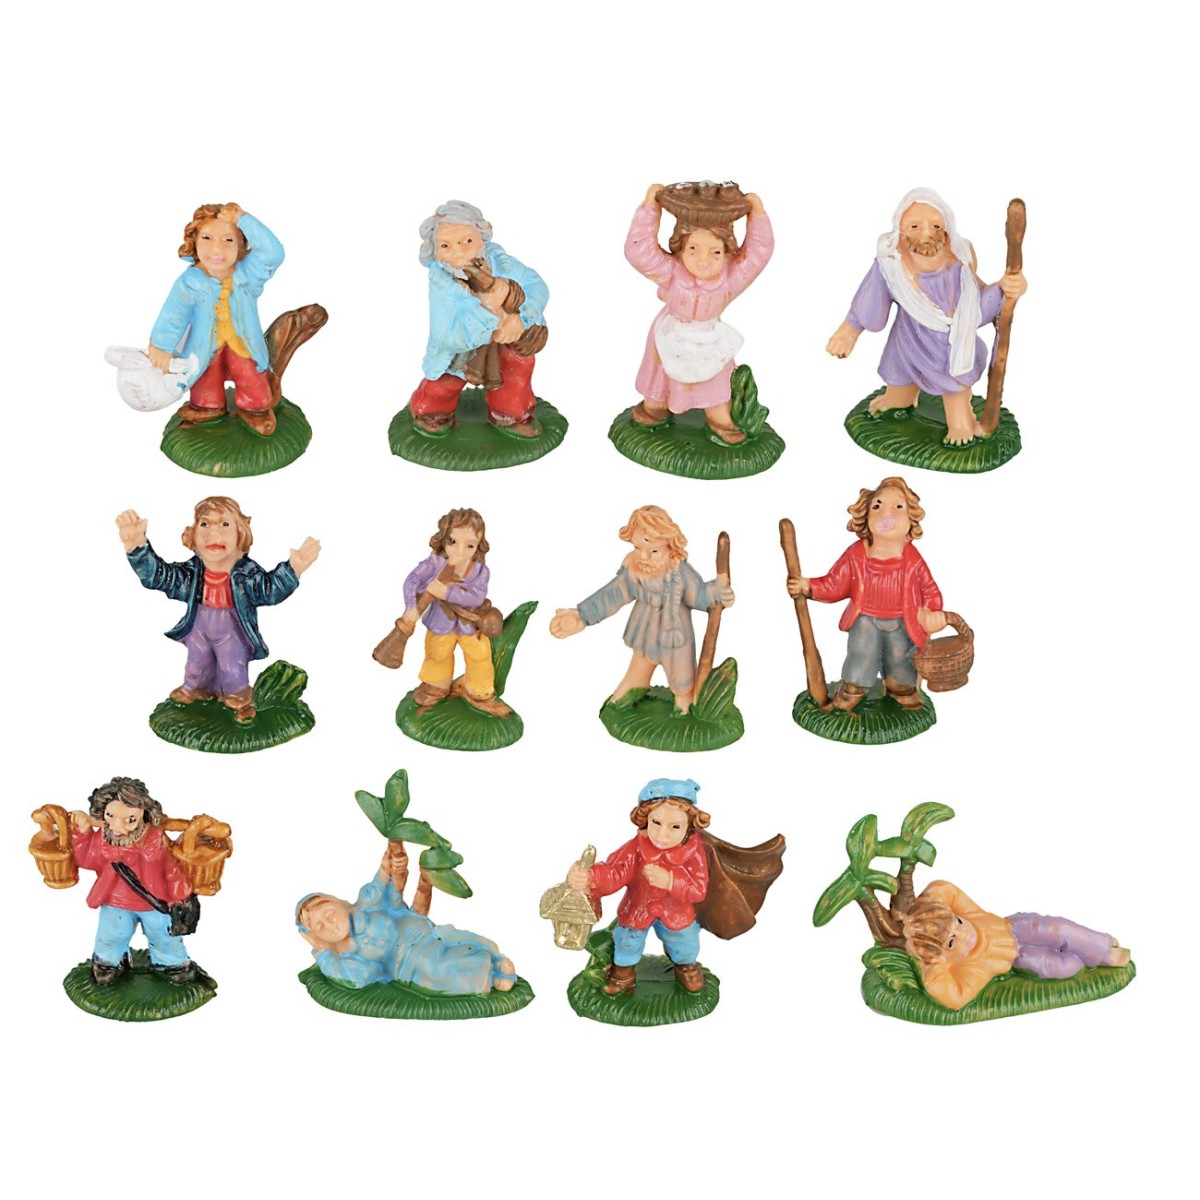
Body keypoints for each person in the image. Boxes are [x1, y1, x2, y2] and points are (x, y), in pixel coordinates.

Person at [826, 188, 1027, 445]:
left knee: (952, 379)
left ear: (946, 229)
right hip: (906, 338)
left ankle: (961, 421)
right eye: (914, 226)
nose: (926, 233)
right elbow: (870, 299)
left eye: (935, 226)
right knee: (900, 374)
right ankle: (899, 400)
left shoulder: (958, 266)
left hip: (949, 343)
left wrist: (1004, 290)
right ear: (900, 230)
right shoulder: (891, 266)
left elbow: (975, 307)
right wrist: (849, 329)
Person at [117, 496, 320, 721]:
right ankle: (195, 690)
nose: (214, 533)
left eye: (225, 524)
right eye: (205, 524)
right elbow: (161, 577)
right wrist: (137, 548)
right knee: (197, 663)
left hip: (232, 628)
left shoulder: (246, 574)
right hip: (199, 625)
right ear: (193, 535)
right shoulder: (193, 573)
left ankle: (238, 698)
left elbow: (268, 589)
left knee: (232, 665)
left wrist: (292, 569)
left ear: (240, 534)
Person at [625, 182, 774, 444]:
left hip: (708, 336)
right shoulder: (672, 272)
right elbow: (639, 251)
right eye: (693, 249)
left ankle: (719, 418)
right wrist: (649, 209)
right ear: (681, 248)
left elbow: (757, 255)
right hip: (672, 331)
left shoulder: (729, 278)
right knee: (660, 374)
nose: (703, 259)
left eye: (715, 252)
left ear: (727, 253)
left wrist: (758, 217)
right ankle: (655, 408)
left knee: (714, 377)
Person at [550, 505, 733, 714]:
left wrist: (718, 592)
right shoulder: (634, 569)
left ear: (670, 545)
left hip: (675, 636)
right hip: (645, 632)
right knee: (639, 666)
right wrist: (582, 616)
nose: (643, 556)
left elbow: (699, 595)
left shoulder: (679, 572)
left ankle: (684, 708)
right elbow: (613, 594)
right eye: (638, 548)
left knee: (681, 678)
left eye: (653, 551)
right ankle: (628, 694)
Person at [786, 477, 944, 714]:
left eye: (898, 507)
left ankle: (903, 692)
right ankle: (852, 692)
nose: (886, 514)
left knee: (901, 659)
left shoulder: (913, 560)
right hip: (865, 619)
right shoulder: (856, 554)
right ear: (866, 515)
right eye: (877, 506)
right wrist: (807, 586)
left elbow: (929, 590)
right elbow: (835, 583)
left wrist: (931, 612)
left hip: (903, 621)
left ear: (911, 519)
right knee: (861, 654)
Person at [297, 842, 517, 994]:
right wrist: (322, 951)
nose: (330, 925)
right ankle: (490, 977)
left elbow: (382, 877)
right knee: (436, 972)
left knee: (457, 940)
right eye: (320, 927)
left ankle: (493, 960)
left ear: (340, 904)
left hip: (419, 932)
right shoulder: (347, 956)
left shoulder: (366, 903)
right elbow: (357, 979)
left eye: (329, 914)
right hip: (405, 963)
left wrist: (392, 860)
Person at [409, 199, 548, 437]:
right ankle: (431, 413)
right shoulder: (443, 285)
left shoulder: (501, 264)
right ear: (434, 251)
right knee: (446, 381)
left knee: (516, 369)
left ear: (482, 238)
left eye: (467, 241)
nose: (459, 253)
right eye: (445, 246)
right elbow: (445, 335)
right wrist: (488, 313)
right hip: (461, 348)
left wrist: (521, 319)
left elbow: (537, 286)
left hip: (507, 338)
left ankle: (510, 415)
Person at [149, 203, 286, 435]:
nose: (217, 249)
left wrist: (243, 219)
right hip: (205, 348)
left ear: (241, 244)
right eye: (207, 238)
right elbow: (174, 315)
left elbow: (273, 254)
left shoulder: (248, 275)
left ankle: (255, 409)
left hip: (243, 345)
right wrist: (161, 346)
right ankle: (208, 408)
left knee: (251, 377)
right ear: (194, 241)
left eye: (228, 240)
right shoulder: (190, 283)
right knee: (205, 379)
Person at [567, 778, 710, 996]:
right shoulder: (636, 848)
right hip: (638, 909)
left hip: (677, 913)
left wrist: (671, 881)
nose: (662, 834)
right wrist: (590, 876)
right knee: (627, 941)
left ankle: (686, 967)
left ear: (689, 826)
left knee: (685, 942)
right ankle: (623, 974)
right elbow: (615, 871)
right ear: (645, 819)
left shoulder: (694, 853)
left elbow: (698, 890)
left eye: (675, 827)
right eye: (656, 823)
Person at [901, 880, 1131, 1011]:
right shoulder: (974, 967)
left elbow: (942, 888)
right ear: (943, 954)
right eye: (951, 943)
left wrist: (919, 911)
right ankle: (1086, 953)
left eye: (958, 924)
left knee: (1057, 929)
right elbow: (955, 997)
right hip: (1019, 958)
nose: (964, 935)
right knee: (1060, 967)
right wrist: (929, 962)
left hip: (1016, 928)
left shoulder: (972, 915)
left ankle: (1102, 949)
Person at [68, 777, 195, 986]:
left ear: (143, 816)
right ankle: (108, 963)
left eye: (129, 820)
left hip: (154, 902)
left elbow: (171, 869)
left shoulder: (157, 841)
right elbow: (88, 859)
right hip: (115, 900)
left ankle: (172, 963)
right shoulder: (104, 838)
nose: (117, 826)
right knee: (111, 935)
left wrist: (180, 896)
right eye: (110, 816)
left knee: (163, 936)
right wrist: (81, 835)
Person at [399, 507, 509, 716]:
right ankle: (435, 688)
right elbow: (413, 580)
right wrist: (410, 606)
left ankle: (479, 693)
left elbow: (476, 597)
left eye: (469, 545)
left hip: (470, 624)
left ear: (479, 545)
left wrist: (447, 592)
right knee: (437, 654)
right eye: (453, 541)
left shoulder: (480, 571)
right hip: (440, 622)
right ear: (443, 539)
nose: (460, 551)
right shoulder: (435, 563)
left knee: (479, 655)